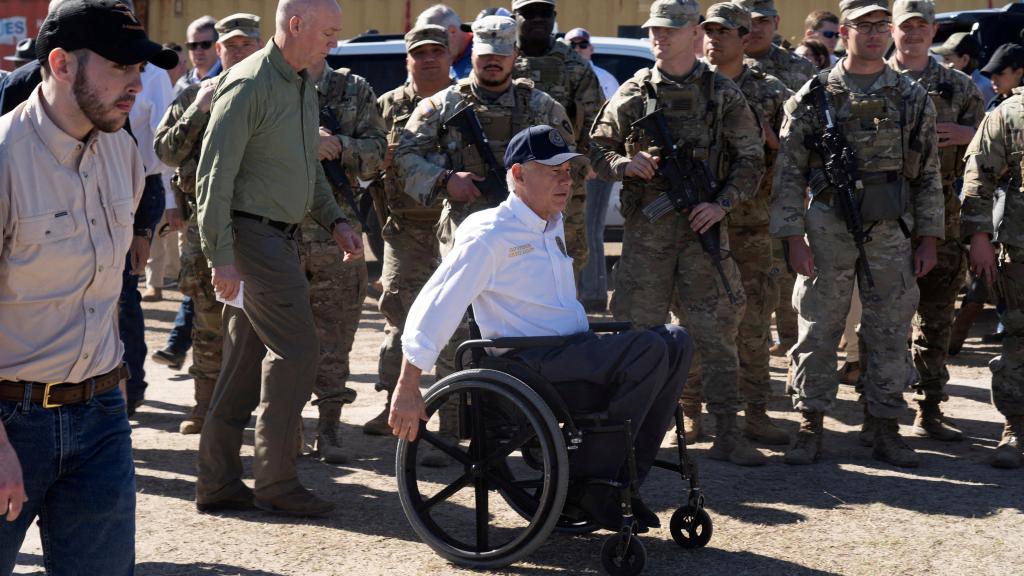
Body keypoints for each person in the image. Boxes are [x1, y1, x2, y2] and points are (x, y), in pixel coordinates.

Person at [389, 124, 694, 532]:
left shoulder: (549, 223)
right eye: (553, 171)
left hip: (569, 354)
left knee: (675, 339)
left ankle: (620, 481)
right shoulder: (489, 233)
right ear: (517, 175)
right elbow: (437, 302)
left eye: (568, 170)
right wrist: (409, 385)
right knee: (648, 349)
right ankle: (593, 482)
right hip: (527, 365)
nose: (565, 179)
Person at [0, 0, 177, 571]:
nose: (134, 85)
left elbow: (106, 288)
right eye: (119, 68)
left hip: (100, 416)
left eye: (139, 70)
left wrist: (114, 378)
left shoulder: (121, 150)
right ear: (60, 65)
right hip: (9, 420)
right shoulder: (4, 158)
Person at [194, 0, 362, 517]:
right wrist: (221, 258)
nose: (334, 41)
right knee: (298, 351)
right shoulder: (247, 85)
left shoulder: (298, 84)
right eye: (329, 32)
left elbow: (308, 170)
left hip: (277, 235)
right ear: (296, 25)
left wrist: (333, 218)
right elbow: (212, 179)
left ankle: (219, 482)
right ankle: (276, 481)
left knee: (245, 360)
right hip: (252, 239)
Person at [394, 14, 577, 466]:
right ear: (470, 54)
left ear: (515, 56)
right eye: (485, 55)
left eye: (502, 55)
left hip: (524, 235)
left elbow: (571, 162)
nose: (493, 63)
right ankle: (448, 428)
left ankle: (515, 427)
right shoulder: (441, 105)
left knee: (520, 334)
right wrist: (444, 179)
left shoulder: (543, 107)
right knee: (453, 325)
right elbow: (404, 156)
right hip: (465, 230)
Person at [590, 0, 766, 466]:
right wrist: (626, 164)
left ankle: (728, 429)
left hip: (701, 230)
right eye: (654, 30)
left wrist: (720, 203)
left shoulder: (722, 93)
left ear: (693, 32)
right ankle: (654, 426)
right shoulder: (633, 91)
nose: (659, 38)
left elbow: (752, 160)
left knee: (714, 330)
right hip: (648, 234)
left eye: (669, 30)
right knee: (640, 334)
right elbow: (596, 150)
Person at [772, 0, 943, 468]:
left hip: (890, 225)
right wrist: (792, 237)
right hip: (827, 223)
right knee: (819, 327)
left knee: (889, 328)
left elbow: (927, 173)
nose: (873, 34)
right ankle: (810, 426)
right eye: (861, 26)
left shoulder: (910, 96)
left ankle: (886, 426)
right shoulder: (813, 95)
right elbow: (788, 172)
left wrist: (929, 236)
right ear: (843, 32)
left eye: (879, 26)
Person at [153, 13, 264, 436]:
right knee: (207, 319)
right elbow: (165, 151)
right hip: (205, 232)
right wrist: (198, 109)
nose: (237, 53)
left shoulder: (278, 95)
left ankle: (269, 417)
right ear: (218, 51)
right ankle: (205, 407)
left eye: (246, 46)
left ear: (260, 48)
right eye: (229, 46)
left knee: (264, 323)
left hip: (262, 229)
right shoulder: (194, 94)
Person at [886, 0, 984, 443]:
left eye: (922, 26)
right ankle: (881, 412)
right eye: (906, 26)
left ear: (934, 30)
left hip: (942, 218)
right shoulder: (874, 81)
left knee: (936, 316)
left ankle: (929, 407)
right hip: (882, 218)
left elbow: (991, 155)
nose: (913, 33)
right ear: (893, 29)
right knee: (881, 319)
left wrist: (969, 136)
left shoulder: (959, 88)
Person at [698, 1, 792, 446]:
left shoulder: (769, 90)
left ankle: (756, 411)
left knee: (754, 319)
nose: (714, 40)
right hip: (697, 223)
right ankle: (690, 409)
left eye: (724, 32)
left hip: (752, 223)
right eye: (709, 32)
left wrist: (762, 135)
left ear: (743, 37)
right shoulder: (690, 83)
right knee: (697, 318)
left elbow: (795, 156)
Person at [364, 25, 453, 436]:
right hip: (404, 230)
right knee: (399, 314)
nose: (429, 59)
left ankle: (456, 412)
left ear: (450, 56)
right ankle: (392, 405)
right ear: (408, 60)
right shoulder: (387, 107)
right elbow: (364, 162)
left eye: (437, 51)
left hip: (458, 228)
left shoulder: (462, 101)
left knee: (460, 319)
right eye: (420, 53)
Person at [300, 51, 387, 463]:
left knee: (335, 336)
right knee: (276, 340)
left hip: (339, 234)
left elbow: (378, 151)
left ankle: (329, 430)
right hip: (278, 231)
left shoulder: (354, 89)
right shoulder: (268, 85)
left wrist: (338, 146)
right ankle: (286, 430)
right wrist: (304, 141)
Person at [739, 0, 818, 358]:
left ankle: (790, 349)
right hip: (734, 198)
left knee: (787, 277)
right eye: (747, 22)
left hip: (782, 191)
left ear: (776, 23)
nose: (755, 29)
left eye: (762, 22)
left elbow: (816, 132)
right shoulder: (717, 67)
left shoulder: (798, 69)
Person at [512, 0, 605, 284]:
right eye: (529, 13)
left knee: (566, 260)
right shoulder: (502, 59)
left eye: (545, 13)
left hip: (563, 186)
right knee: (511, 260)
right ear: (514, 16)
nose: (538, 19)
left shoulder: (573, 65)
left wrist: (578, 168)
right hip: (511, 186)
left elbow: (596, 123)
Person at [960, 80, 1024, 469]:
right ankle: (1016, 429)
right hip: (1020, 248)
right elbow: (978, 175)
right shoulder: (1010, 112)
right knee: (1019, 338)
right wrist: (979, 237)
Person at [563, 26, 619, 312]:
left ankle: (595, 295)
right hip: (569, 164)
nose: (577, 48)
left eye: (582, 44)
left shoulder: (602, 78)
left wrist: (596, 162)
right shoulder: (565, 73)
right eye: (572, 44)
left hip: (594, 163)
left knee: (591, 229)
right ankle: (577, 293)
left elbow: (607, 125)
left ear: (590, 48)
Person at [932, 32, 995, 107]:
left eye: (947, 59)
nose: (943, 63)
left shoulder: (983, 87)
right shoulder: (951, 83)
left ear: (965, 60)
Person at [416, 4, 473, 79]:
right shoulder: (447, 58)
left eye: (435, 40)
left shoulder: (484, 53)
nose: (429, 58)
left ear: (453, 31)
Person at [175, 15, 221, 93]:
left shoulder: (229, 78)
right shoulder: (181, 83)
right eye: (193, 45)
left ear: (218, 46)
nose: (198, 50)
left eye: (205, 44)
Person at [980, 43, 1024, 110]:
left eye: (999, 73)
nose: (993, 79)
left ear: (1019, 73)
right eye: (991, 74)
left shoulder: (1021, 105)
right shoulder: (994, 102)